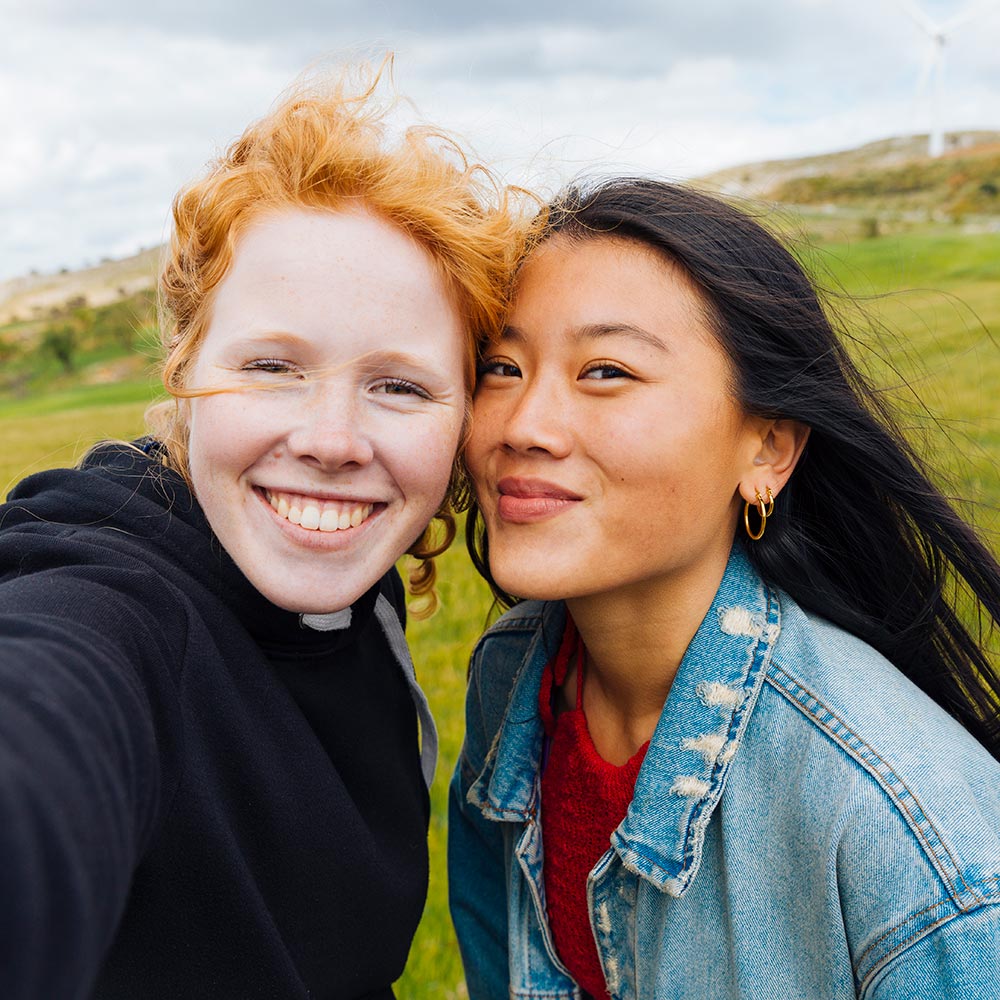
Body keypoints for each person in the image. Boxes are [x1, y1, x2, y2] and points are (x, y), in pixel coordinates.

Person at [0, 66, 518, 999]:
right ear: (184, 371)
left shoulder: (359, 603)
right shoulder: (113, 609)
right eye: (274, 366)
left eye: (398, 385)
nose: (330, 443)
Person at [448, 177, 1000, 999]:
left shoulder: (909, 834)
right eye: (502, 365)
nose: (524, 424)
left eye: (605, 370)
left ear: (768, 449)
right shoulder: (514, 677)